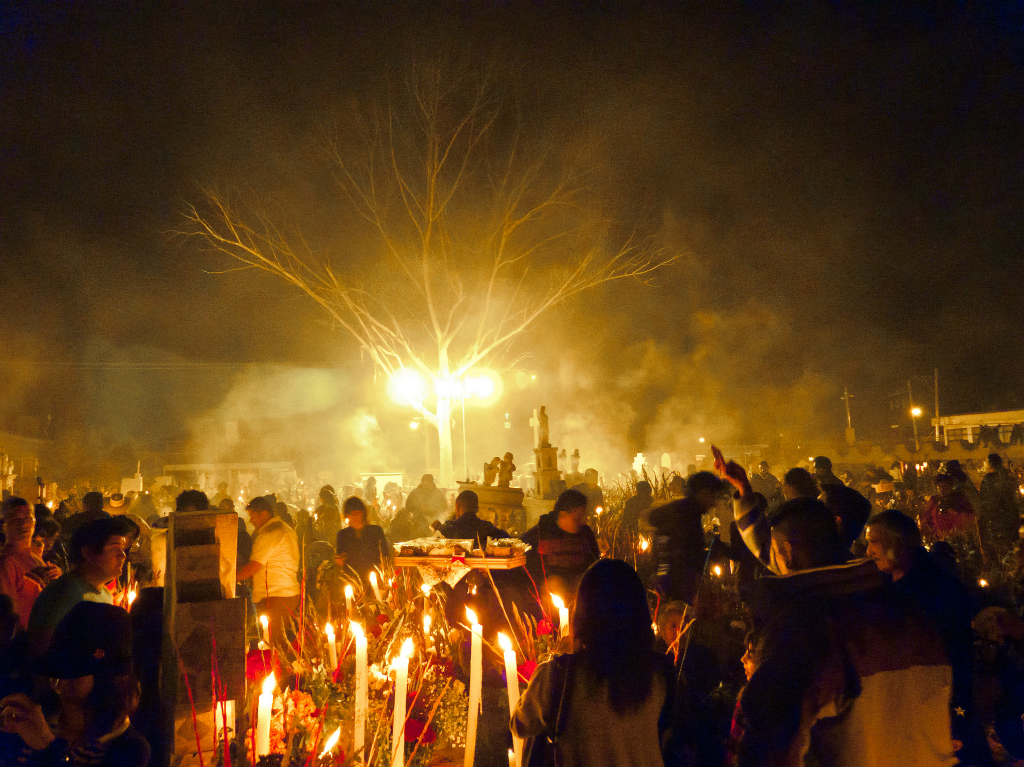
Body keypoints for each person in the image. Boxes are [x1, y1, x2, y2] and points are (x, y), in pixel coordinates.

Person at [716, 447, 956, 765]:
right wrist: (744, 493)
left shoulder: (806, 628)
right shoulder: (905, 605)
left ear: (786, 552)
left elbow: (765, 742)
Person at [512, 559, 672, 766]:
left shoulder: (558, 675)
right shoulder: (660, 675)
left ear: (583, 613)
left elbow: (520, 724)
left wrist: (554, 659)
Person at [865, 510, 985, 763]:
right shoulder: (882, 585)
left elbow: (955, 654)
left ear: (898, 543)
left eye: (873, 542)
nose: (868, 551)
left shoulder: (938, 589)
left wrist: (956, 715)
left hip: (941, 702)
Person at [0, 601, 149, 766]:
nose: (59, 680)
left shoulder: (128, 748)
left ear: (108, 679)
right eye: (56, 670)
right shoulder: (37, 722)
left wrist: (47, 747)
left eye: (73, 670)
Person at [27, 517, 129, 656]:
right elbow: (42, 649)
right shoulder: (66, 593)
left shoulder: (105, 594)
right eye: (114, 548)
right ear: (87, 552)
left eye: (123, 549)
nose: (122, 555)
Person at [648, 472, 723, 603]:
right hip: (677, 585)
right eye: (713, 496)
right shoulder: (685, 514)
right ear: (703, 493)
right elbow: (684, 553)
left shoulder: (690, 512)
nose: (714, 503)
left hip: (675, 581)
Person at [237, 496, 300, 651]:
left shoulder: (270, 533)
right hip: (287, 594)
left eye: (253, 516)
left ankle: (284, 674)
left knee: (277, 645)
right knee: (282, 642)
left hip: (275, 596)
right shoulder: (285, 528)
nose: (251, 521)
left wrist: (231, 578)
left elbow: (254, 565)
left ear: (264, 514)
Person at [521, 489, 600, 596]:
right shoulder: (540, 534)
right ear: (562, 515)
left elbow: (594, 563)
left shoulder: (586, 534)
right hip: (549, 595)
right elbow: (527, 567)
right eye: (577, 519)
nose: (583, 522)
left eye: (583, 517)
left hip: (581, 593)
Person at [0, 497, 61, 630]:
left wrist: (57, 577)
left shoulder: (36, 558)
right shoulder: (6, 563)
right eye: (16, 519)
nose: (23, 525)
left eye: (28, 518)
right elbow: (7, 615)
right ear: (4, 524)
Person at [334, 497, 390, 585]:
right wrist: (339, 560)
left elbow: (384, 555)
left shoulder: (376, 531)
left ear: (363, 514)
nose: (354, 517)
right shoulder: (343, 535)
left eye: (357, 513)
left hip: (374, 579)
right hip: (352, 581)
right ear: (347, 515)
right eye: (351, 514)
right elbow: (340, 558)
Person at [920, 472, 981, 545]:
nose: (942, 489)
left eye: (945, 487)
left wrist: (953, 512)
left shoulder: (959, 499)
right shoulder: (934, 500)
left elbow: (970, 516)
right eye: (940, 487)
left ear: (950, 487)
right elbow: (926, 517)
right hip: (938, 538)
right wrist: (931, 531)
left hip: (957, 539)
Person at [980, 453, 1021, 551]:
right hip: (1012, 516)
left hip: (997, 518)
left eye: (985, 462)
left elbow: (985, 498)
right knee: (1013, 546)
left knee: (1000, 547)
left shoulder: (988, 479)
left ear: (990, 463)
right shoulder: (1009, 476)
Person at [436, 490, 508, 541]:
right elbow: (507, 538)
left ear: (457, 507)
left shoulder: (448, 528)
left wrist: (438, 528)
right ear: (477, 508)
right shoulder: (486, 527)